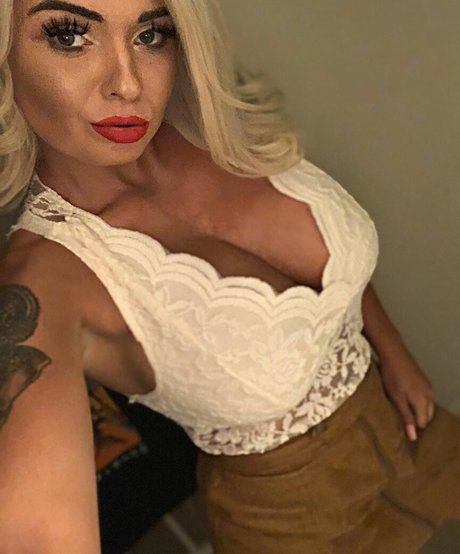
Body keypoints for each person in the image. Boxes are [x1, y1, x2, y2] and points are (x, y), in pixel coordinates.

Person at [0, 0, 459, 552]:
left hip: (402, 419)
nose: (128, 84)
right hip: (292, 523)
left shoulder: (213, 125)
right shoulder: (41, 282)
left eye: (151, 35)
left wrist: (394, 349)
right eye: (69, 35)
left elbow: (338, 268)